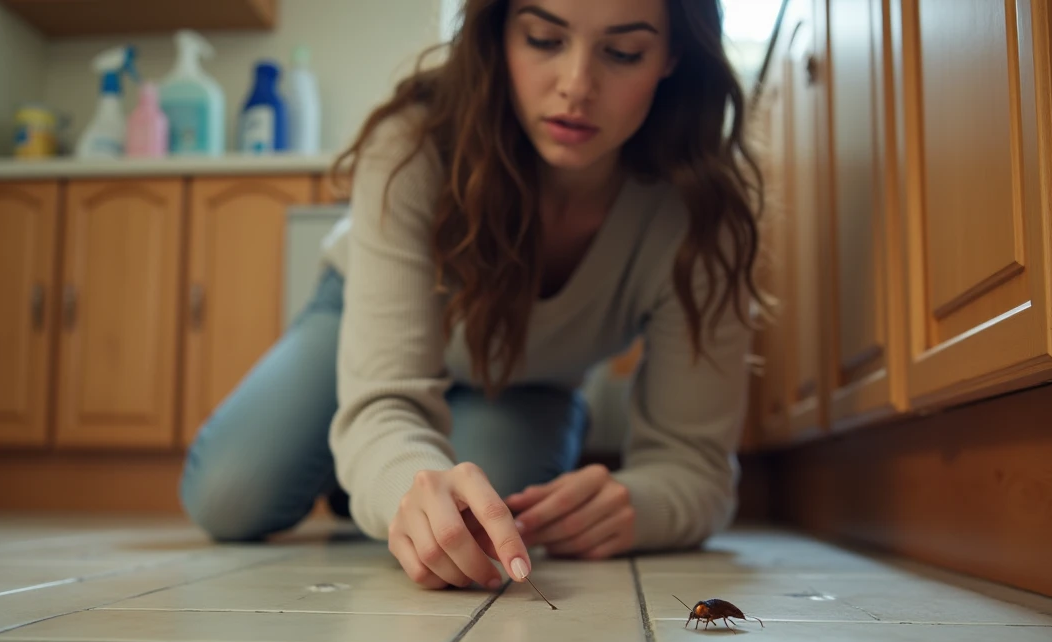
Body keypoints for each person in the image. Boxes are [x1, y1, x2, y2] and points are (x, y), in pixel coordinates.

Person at [178, 0, 766, 592]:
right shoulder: (413, 140)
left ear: (673, 57)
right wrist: (404, 477)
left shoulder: (703, 213)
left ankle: (368, 470)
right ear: (498, 33)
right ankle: (360, 462)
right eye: (543, 39)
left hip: (528, 379)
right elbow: (386, 397)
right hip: (362, 321)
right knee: (231, 496)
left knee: (487, 512)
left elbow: (697, 467)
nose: (576, 86)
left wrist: (641, 502)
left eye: (623, 53)